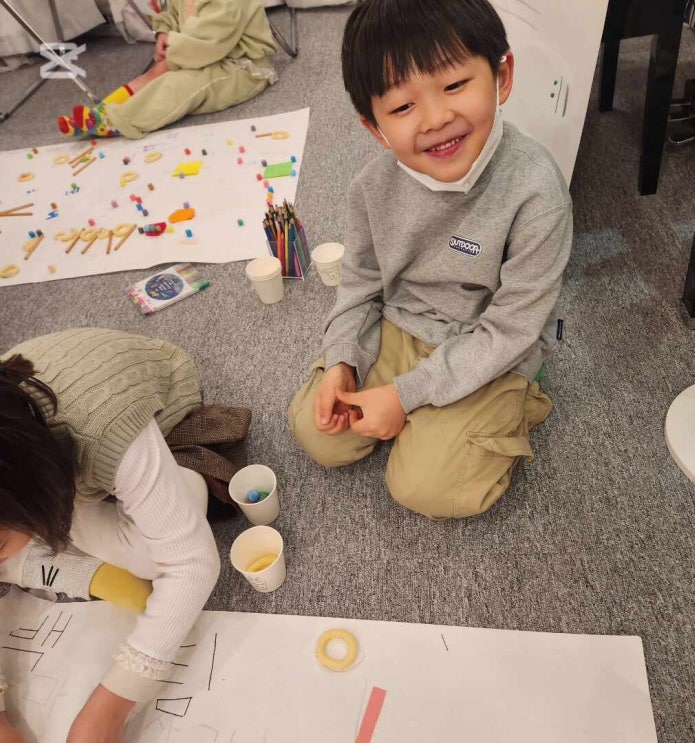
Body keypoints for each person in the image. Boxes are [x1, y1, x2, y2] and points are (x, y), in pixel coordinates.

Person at [289, 0, 572, 520]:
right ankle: (421, 412)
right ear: (374, 128)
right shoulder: (371, 188)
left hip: (490, 346)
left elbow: (513, 328)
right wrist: (341, 360)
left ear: (502, 77)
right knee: (317, 429)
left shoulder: (536, 191)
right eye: (402, 108)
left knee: (426, 487)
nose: (436, 119)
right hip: (402, 324)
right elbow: (359, 285)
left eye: (455, 85)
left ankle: (514, 404)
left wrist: (406, 395)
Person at [0, 328, 222, 742]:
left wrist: (111, 705)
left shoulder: (101, 427)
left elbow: (193, 564)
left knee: (155, 557)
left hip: (152, 406)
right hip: (47, 462)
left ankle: (181, 482)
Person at [58, 0, 277, 139]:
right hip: (198, 53)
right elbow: (171, 13)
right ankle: (101, 110)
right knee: (152, 76)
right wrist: (164, 31)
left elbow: (210, 42)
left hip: (240, 66)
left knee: (178, 85)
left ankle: (121, 119)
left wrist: (172, 57)